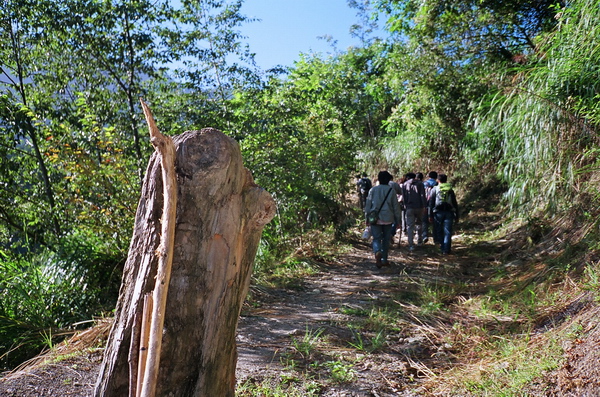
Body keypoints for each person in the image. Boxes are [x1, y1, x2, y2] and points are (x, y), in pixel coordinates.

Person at [365, 171, 401, 268]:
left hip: (375, 218)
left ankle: (377, 252)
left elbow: (368, 206)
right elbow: (396, 207)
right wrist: (398, 220)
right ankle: (384, 259)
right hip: (388, 218)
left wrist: (367, 218)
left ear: (379, 179)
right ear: (389, 180)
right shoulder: (391, 191)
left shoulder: (373, 190)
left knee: (376, 238)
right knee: (386, 239)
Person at [428, 173, 459, 255]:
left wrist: (430, 215)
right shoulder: (450, 189)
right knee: (448, 231)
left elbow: (431, 203)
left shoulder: (435, 189)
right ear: (446, 180)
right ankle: (446, 249)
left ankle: (442, 247)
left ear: (438, 180)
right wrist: (457, 215)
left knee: (439, 230)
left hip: (438, 212)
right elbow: (454, 203)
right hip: (449, 212)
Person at [401, 172, 427, 251]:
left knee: (410, 226)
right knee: (419, 223)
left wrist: (405, 205)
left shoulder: (405, 184)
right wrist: (424, 206)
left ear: (407, 177)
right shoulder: (420, 184)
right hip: (419, 207)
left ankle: (411, 244)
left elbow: (404, 197)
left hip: (409, 207)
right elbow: (423, 195)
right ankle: (419, 241)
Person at [421, 171, 438, 243]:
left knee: (424, 221)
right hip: (434, 205)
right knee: (435, 222)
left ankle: (424, 235)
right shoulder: (437, 184)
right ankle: (436, 238)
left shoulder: (424, 183)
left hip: (425, 204)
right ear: (436, 177)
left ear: (429, 176)